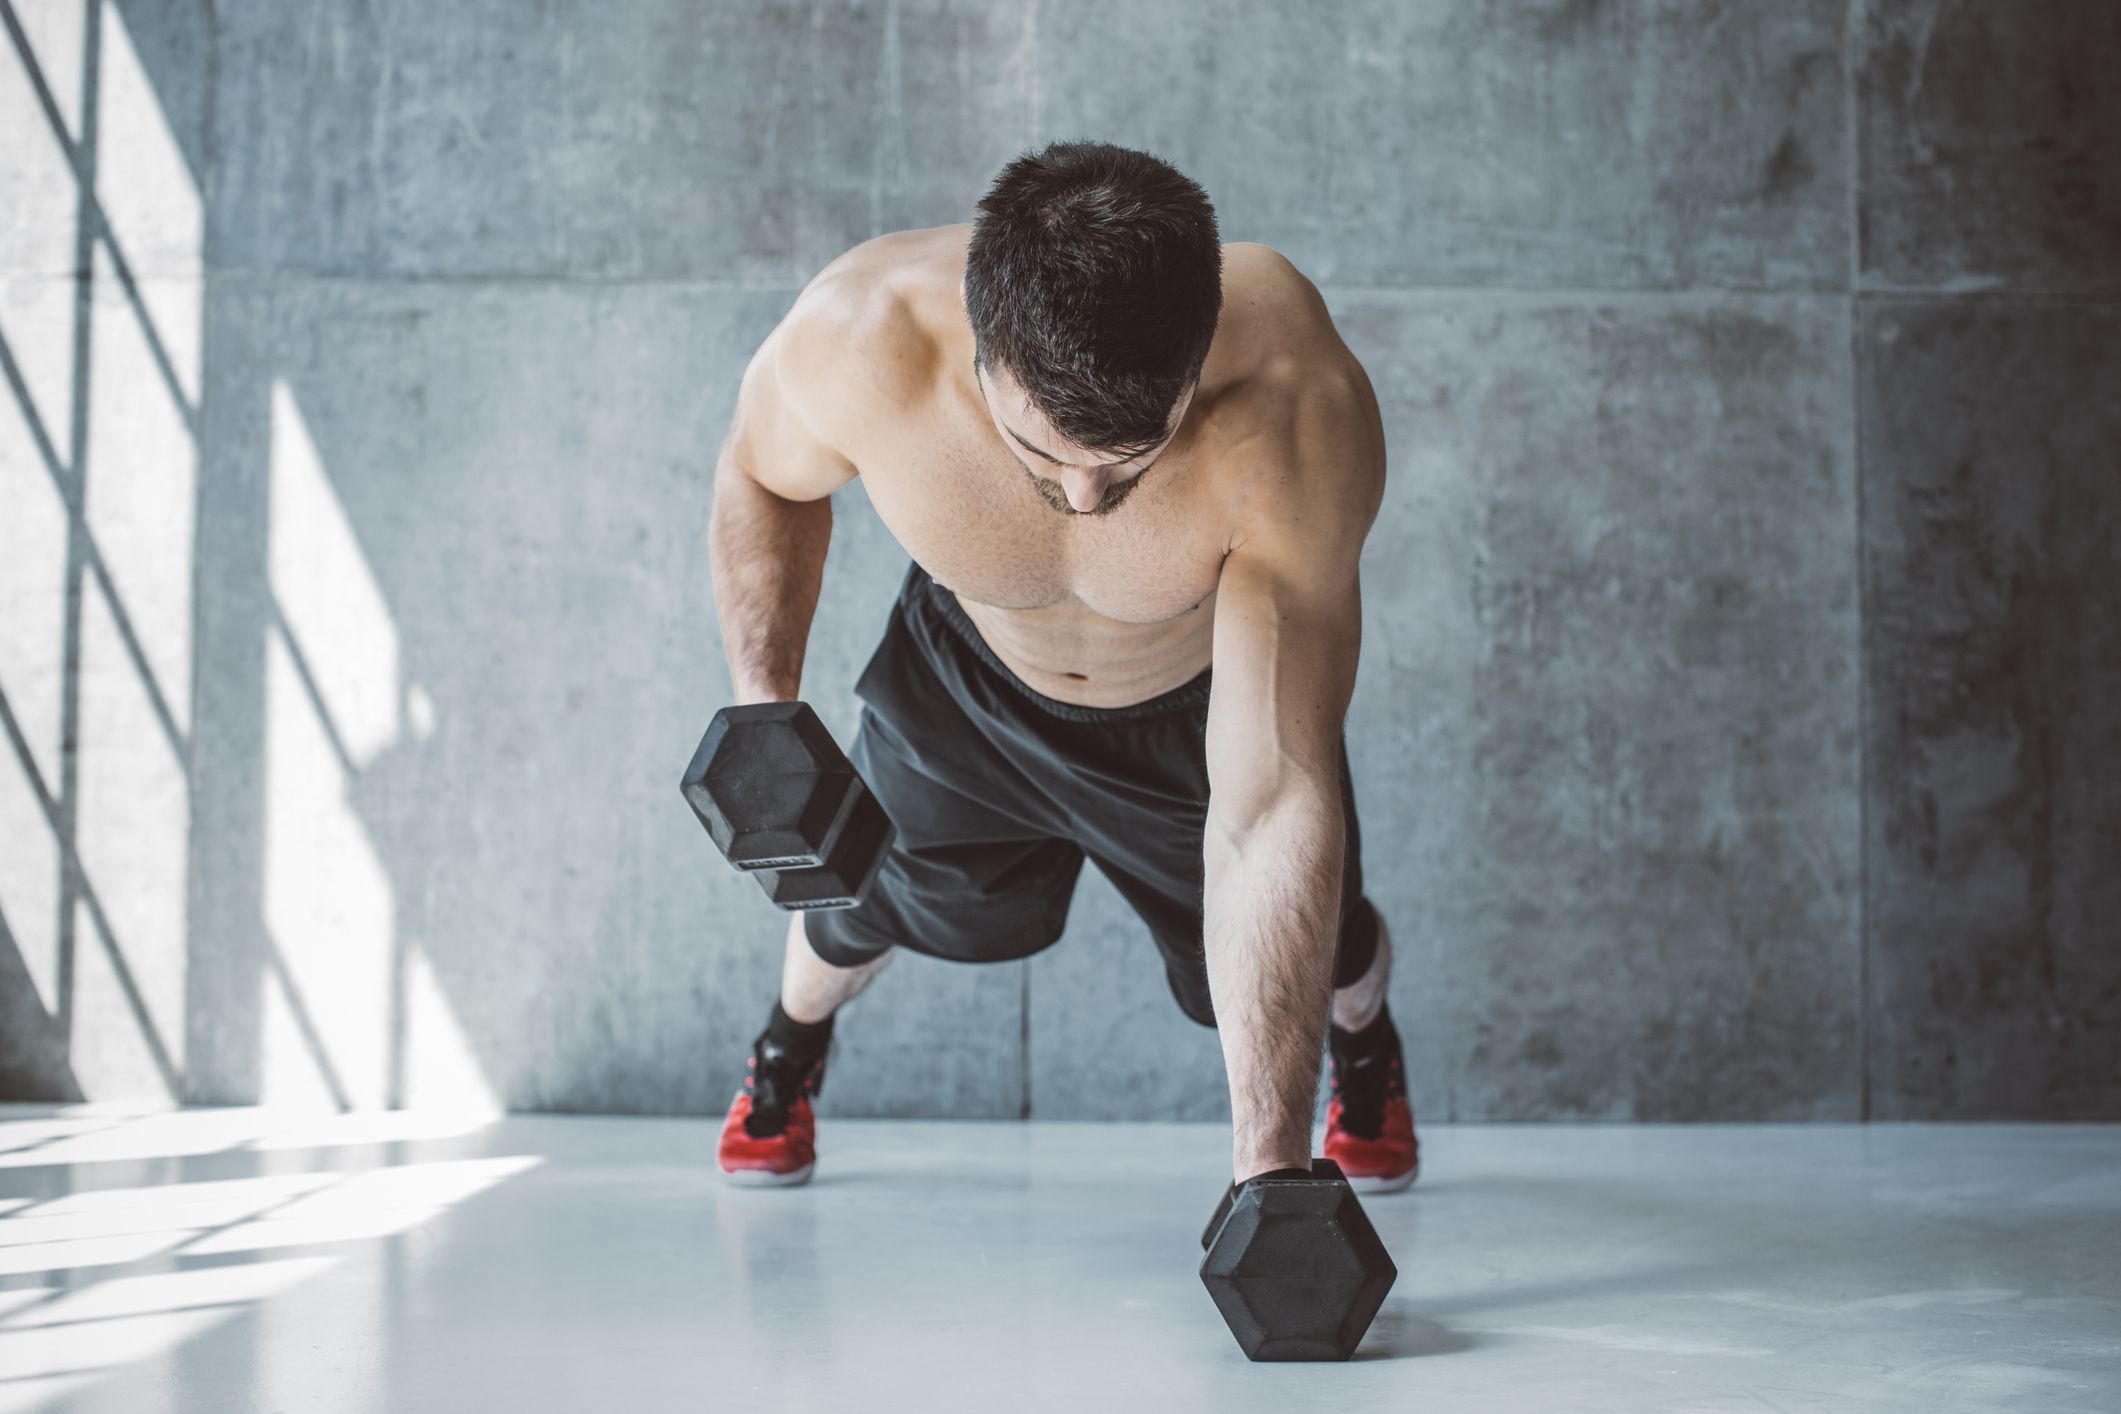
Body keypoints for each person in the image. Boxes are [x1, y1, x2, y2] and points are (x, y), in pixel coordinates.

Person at [708, 140, 1415, 1195]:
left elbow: (1271, 801)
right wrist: (765, 707)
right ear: (984, 352)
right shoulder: (863, 336)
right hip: (965, 681)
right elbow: (763, 474)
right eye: (1045, 456)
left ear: (1196, 354)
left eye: (1131, 460)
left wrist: (1272, 1179)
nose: (1086, 499)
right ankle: (786, 1053)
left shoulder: (1295, 405)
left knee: (1318, 946)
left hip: (1193, 704)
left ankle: (1362, 1061)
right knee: (848, 901)